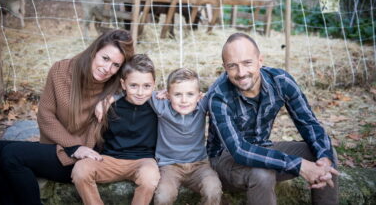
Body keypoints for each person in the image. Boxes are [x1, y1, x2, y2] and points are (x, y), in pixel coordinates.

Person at [0, 29, 134, 205]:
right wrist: (73, 146)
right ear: (94, 51)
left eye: (116, 65)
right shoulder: (61, 71)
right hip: (65, 146)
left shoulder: (116, 85)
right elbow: (45, 115)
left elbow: (145, 88)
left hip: (85, 157)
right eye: (105, 58)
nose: (107, 69)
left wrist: (113, 97)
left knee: (12, 155)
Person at [207, 33, 339, 205]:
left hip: (263, 147)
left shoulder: (281, 81)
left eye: (247, 63)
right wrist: (299, 165)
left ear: (260, 60)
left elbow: (309, 124)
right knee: (263, 174)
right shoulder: (218, 95)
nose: (241, 73)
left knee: (326, 152)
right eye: (232, 66)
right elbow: (239, 150)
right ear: (224, 67)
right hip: (226, 159)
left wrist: (323, 160)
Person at [71, 54, 160, 205]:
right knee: (81, 170)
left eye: (146, 86)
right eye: (133, 86)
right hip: (109, 159)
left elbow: (182, 100)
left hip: (143, 160)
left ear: (154, 84)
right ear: (123, 84)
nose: (140, 92)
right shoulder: (109, 105)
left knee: (149, 177)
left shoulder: (159, 105)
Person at [151, 68, 222, 205]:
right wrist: (109, 98)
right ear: (168, 95)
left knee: (213, 189)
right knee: (163, 196)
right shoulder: (162, 106)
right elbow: (137, 92)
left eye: (190, 94)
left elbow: (221, 89)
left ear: (199, 96)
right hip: (169, 166)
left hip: (199, 165)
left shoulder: (202, 105)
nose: (184, 100)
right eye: (177, 94)